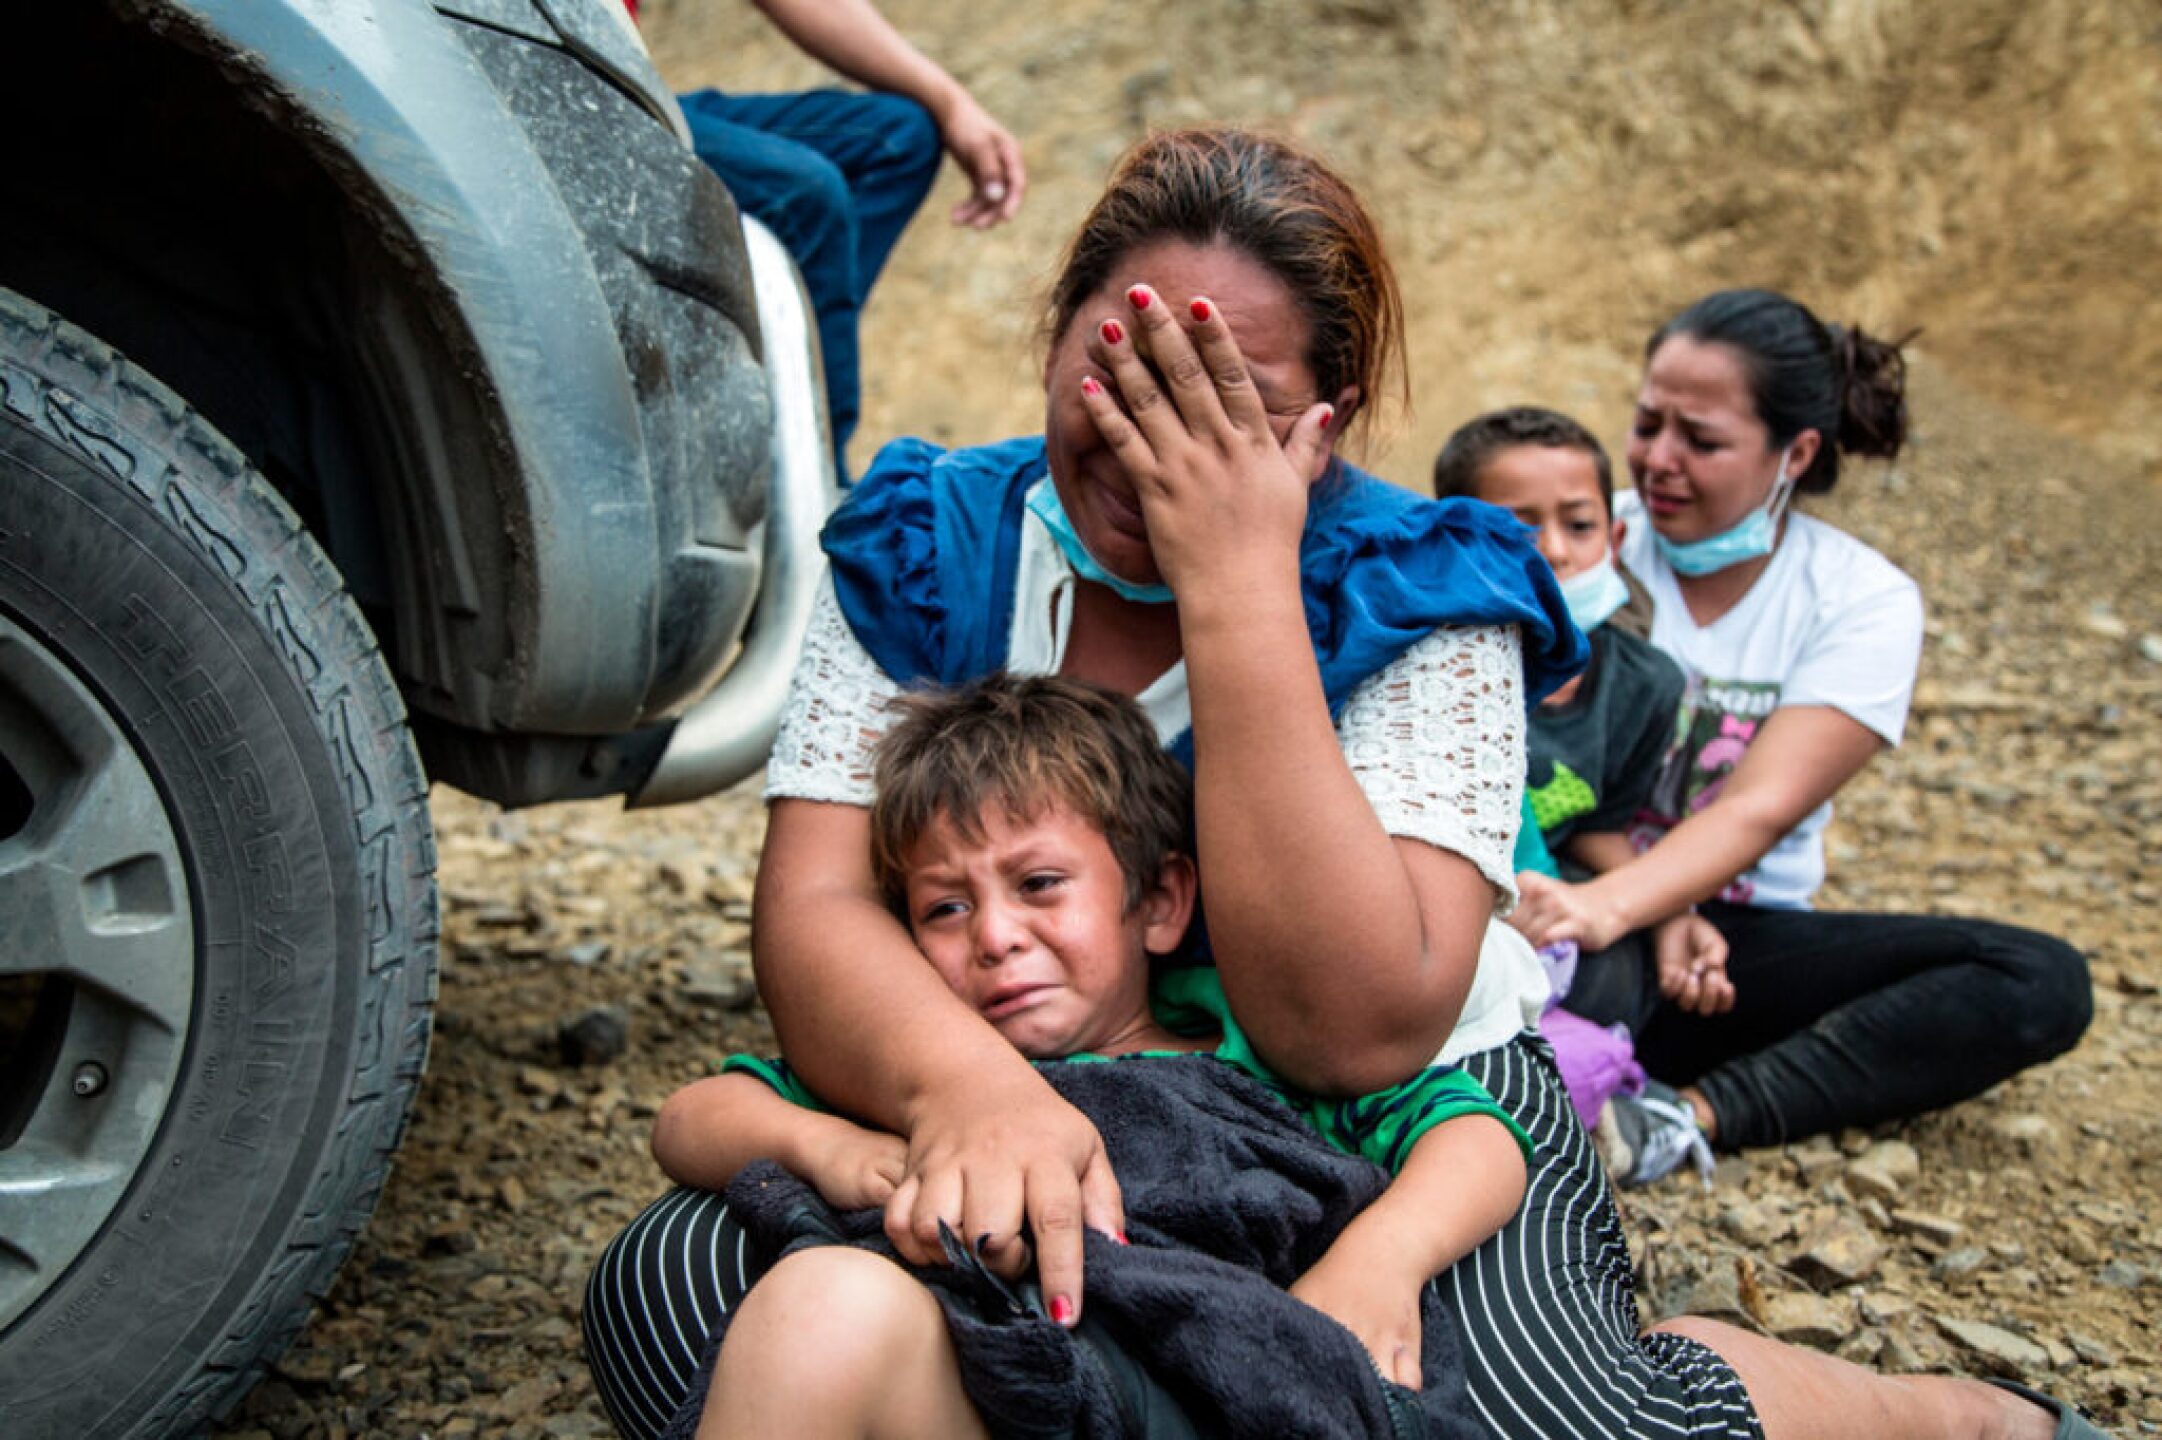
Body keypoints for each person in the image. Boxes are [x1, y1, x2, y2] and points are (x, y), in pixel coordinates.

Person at [585, 132, 2100, 1440]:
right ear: (1053, 333)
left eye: (1220, 394)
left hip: (1396, 1117)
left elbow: (1350, 1030)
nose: (1144, 432)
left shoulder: (1420, 591)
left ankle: (1927, 1413)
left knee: (1522, 1417)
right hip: (1026, 1062)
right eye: (1114, 366)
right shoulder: (930, 543)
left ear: (1329, 415)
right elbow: (815, 921)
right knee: (678, 1306)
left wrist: (1237, 577)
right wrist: (973, 1095)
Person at [658, 672, 1529, 1436]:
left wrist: (1383, 1260)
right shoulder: (931, 1076)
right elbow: (690, 1121)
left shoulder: (1255, 1046)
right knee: (819, 1304)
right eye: (944, 910)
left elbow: (1475, 1140)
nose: (996, 936)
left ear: (1159, 901)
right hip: (998, 1388)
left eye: (1039, 885)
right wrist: (839, 1150)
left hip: (1234, 1393)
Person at [1505, 289, 2095, 1195]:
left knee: (2036, 980)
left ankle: (1681, 1116)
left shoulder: (1858, 600)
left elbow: (1760, 808)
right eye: (1648, 422)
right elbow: (1541, 767)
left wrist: (1630, 910)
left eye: (1699, 440)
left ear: (1797, 453)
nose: (1659, 459)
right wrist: (1641, 909)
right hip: (1559, 911)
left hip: (1721, 957)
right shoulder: (1577, 534)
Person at [1434, 406, 1725, 1152]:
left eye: (1579, 525)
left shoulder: (1645, 688)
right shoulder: (1427, 667)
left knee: (1622, 971)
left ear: (1616, 538)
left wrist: (1665, 912)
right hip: (1437, 910)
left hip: (1539, 914)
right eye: (1520, 526)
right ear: (1454, 534)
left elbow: (1599, 829)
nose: (1554, 552)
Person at [671, 0, 1026, 481]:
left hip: (637, 85)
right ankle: (819, 482)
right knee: (804, 191)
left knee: (901, 137)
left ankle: (771, 396)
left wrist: (952, 103)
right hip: (569, 91)